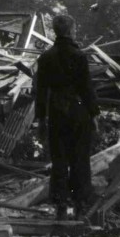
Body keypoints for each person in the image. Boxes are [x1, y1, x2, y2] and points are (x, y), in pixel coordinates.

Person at [35, 15, 100, 220]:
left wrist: (41, 119)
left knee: (60, 161)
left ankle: (61, 208)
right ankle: (80, 207)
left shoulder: (45, 57)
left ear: (55, 31)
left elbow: (41, 92)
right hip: (78, 112)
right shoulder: (79, 56)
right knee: (80, 159)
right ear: (71, 31)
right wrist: (95, 113)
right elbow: (87, 88)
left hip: (56, 112)